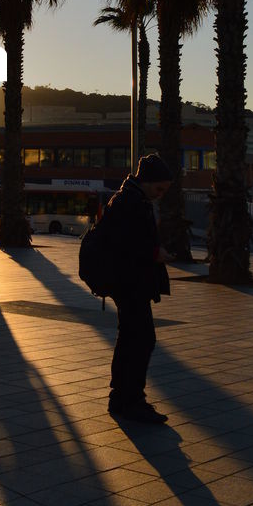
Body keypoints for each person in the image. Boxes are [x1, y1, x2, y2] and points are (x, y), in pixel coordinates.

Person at [103, 153, 173, 424]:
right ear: (146, 181)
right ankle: (132, 400)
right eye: (159, 188)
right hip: (131, 282)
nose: (160, 195)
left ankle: (121, 398)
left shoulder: (130, 198)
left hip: (128, 282)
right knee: (141, 340)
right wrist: (154, 253)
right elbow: (125, 243)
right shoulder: (130, 202)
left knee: (130, 338)